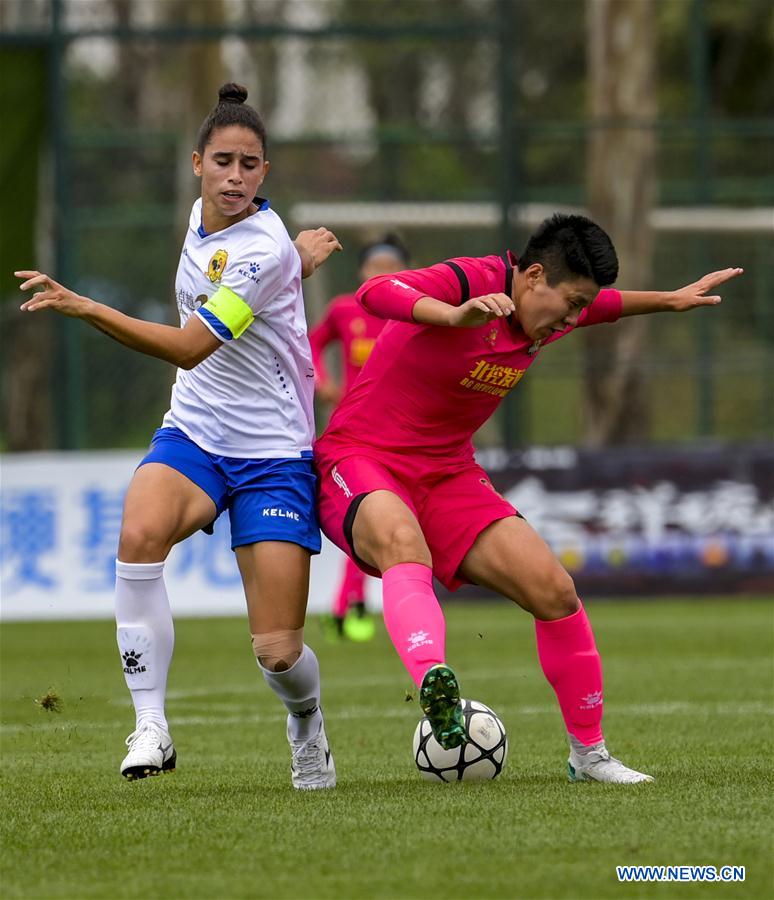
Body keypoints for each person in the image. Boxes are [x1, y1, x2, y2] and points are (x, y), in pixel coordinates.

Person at [313, 213, 743, 783]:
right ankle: (434, 682)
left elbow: (603, 306)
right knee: (402, 543)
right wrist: (452, 314)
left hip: (448, 473)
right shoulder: (472, 280)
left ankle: (589, 756)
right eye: (570, 303)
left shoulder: (550, 311)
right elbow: (373, 291)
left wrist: (668, 300)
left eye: (579, 307)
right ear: (532, 275)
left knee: (556, 591)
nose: (573, 317)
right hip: (360, 456)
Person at [16, 82, 343, 791]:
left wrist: (82, 305)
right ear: (197, 163)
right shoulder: (205, 220)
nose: (234, 176)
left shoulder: (263, 247)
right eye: (222, 160)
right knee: (139, 536)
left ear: (265, 175)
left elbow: (191, 345)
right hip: (194, 431)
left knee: (279, 652)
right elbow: (257, 281)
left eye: (249, 165)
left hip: (271, 454)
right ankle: (151, 725)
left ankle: (307, 724)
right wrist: (301, 260)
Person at [309, 233, 410, 641]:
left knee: (383, 521)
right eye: (376, 266)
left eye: (391, 267)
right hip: (353, 435)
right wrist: (322, 382)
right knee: (363, 514)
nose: (383, 274)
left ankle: (347, 606)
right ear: (362, 271)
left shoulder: (417, 312)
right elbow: (309, 346)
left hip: (401, 433)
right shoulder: (343, 310)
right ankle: (351, 605)